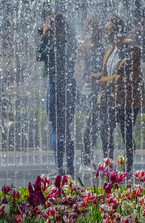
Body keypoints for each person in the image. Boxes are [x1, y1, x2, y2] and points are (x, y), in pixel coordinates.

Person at [93, 15, 145, 175]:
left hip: (128, 101)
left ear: (119, 33)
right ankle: (108, 166)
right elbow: (107, 72)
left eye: (110, 36)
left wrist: (106, 79)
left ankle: (128, 169)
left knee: (127, 134)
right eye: (106, 36)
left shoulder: (133, 50)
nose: (108, 39)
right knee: (105, 132)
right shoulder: (111, 50)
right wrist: (96, 76)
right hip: (110, 99)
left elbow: (129, 78)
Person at [36, 13, 77, 177]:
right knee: (66, 129)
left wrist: (44, 38)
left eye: (47, 26)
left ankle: (59, 167)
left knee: (56, 129)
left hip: (55, 86)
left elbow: (39, 55)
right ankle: (70, 166)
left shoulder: (55, 45)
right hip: (69, 85)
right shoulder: (71, 42)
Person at [76, 18, 105, 173]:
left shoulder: (97, 46)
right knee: (91, 125)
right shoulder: (89, 47)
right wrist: (93, 78)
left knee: (95, 125)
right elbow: (84, 71)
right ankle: (86, 160)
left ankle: (89, 159)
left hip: (97, 89)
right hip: (92, 90)